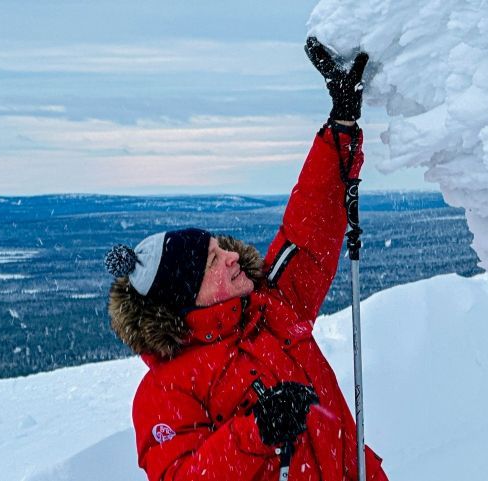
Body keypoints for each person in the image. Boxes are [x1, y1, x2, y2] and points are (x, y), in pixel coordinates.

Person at [104, 37, 388, 481]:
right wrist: (256, 432)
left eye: (221, 248)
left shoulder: (271, 307)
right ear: (188, 299)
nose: (232, 257)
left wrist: (342, 122)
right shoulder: (164, 391)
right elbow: (181, 476)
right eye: (213, 262)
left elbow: (310, 227)